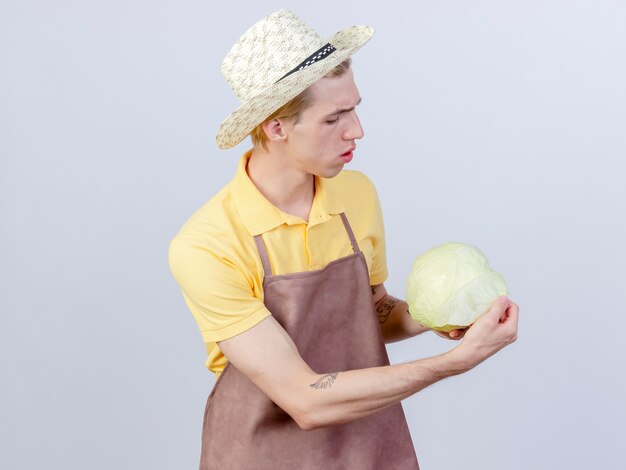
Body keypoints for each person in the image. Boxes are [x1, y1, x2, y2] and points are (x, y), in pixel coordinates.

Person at [169, 9, 519, 470]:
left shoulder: (356, 193)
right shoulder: (207, 245)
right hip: (264, 454)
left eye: (355, 108)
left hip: (366, 440)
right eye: (335, 117)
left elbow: (371, 312)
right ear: (276, 126)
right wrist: (453, 362)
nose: (357, 130)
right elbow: (305, 400)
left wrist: (438, 314)